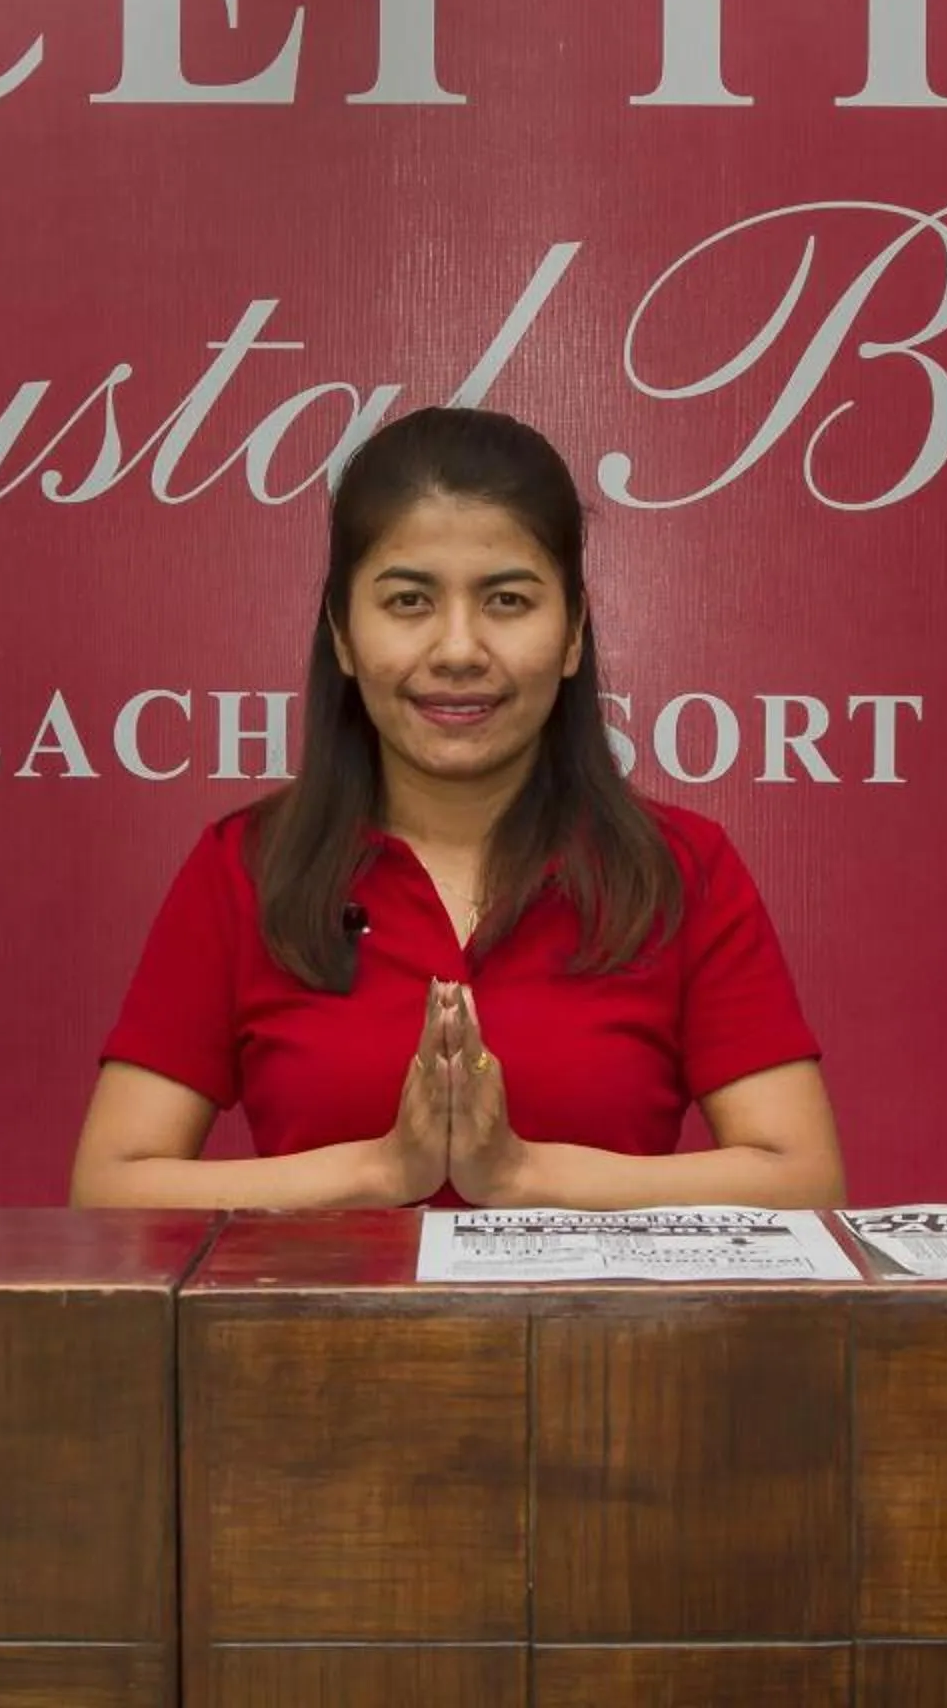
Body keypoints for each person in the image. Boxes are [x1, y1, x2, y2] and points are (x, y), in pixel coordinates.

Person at [69, 407, 844, 1210]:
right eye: (409, 602)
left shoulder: (677, 868)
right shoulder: (248, 867)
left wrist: (518, 1175)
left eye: (507, 601)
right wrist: (380, 1171)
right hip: (307, 1336)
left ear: (573, 632)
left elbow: (803, 1179)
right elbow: (112, 1187)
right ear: (342, 633)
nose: (459, 650)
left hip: (607, 1339)